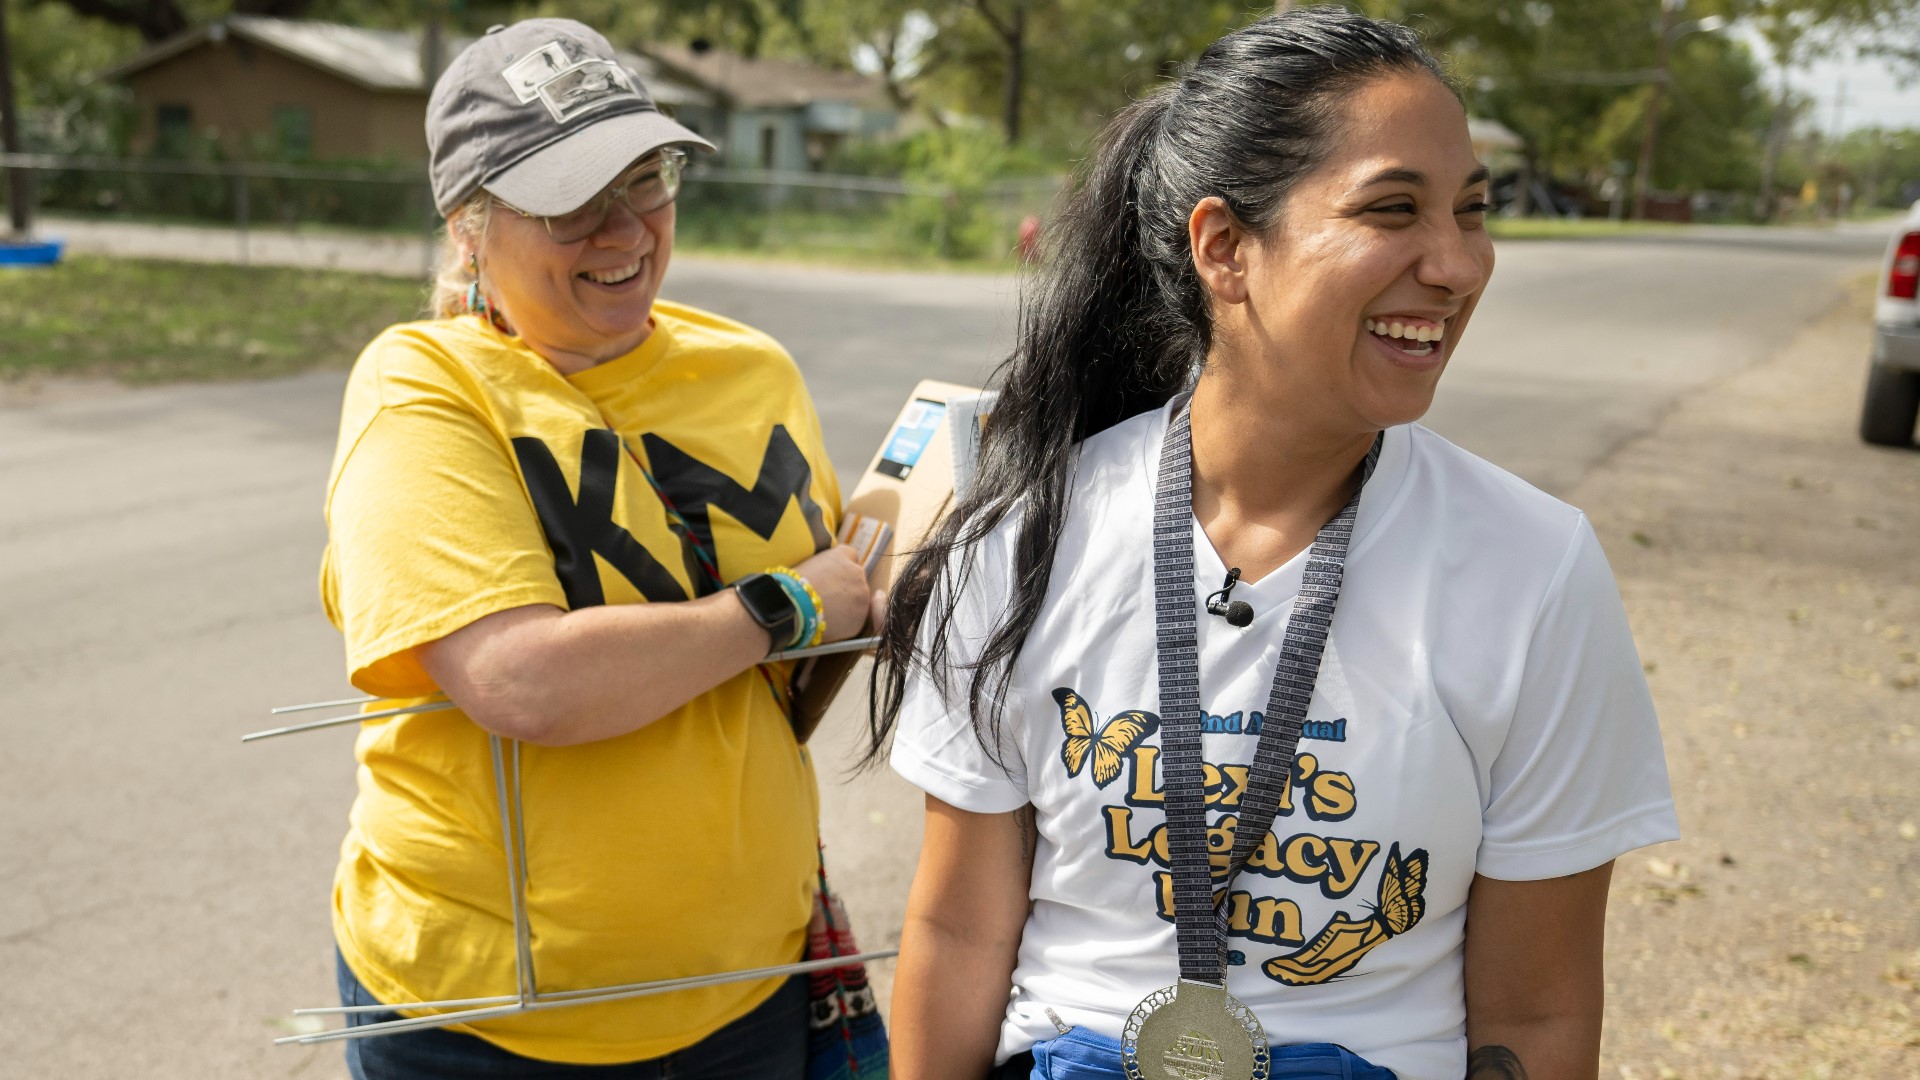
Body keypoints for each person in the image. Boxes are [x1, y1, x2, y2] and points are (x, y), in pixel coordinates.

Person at [871, 9, 1680, 1080]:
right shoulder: (1025, 531)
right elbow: (958, 937)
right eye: (1394, 210)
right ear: (1225, 248)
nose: (1457, 264)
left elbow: (1535, 1016)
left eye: (1472, 212)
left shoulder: (1532, 568)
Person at [318, 18, 876, 1080]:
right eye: (574, 199)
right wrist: (783, 609)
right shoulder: (422, 388)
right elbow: (521, 681)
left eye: (649, 177)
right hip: (491, 1025)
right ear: (469, 225)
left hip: (749, 985)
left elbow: (807, 651)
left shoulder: (753, 369)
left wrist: (891, 583)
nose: (625, 231)